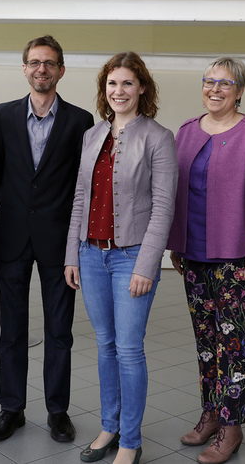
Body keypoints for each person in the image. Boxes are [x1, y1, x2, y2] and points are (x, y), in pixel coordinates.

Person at [64, 52, 177, 464]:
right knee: (105, 345)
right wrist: (71, 254)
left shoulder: (159, 137)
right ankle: (108, 426)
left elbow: (164, 207)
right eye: (112, 84)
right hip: (91, 256)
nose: (119, 91)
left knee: (129, 349)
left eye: (127, 83)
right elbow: (81, 198)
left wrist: (148, 265)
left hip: (132, 258)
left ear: (142, 88)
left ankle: (130, 439)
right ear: (104, 90)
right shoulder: (92, 136)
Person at [166, 57, 245, 464]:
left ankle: (232, 428)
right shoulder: (185, 133)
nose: (215, 89)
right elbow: (177, 194)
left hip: (238, 257)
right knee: (205, 342)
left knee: (231, 341)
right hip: (194, 256)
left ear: (240, 90)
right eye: (209, 81)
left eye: (225, 83)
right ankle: (211, 413)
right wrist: (176, 244)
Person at [0, 35, 94, 443]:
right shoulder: (3, 115)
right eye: (34, 62)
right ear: (25, 68)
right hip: (12, 237)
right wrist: (18, 209)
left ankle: (57, 410)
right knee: (11, 330)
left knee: (59, 331)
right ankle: (10, 408)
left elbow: (82, 184)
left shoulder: (80, 121)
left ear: (61, 70)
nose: (41, 69)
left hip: (59, 242)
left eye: (49, 63)